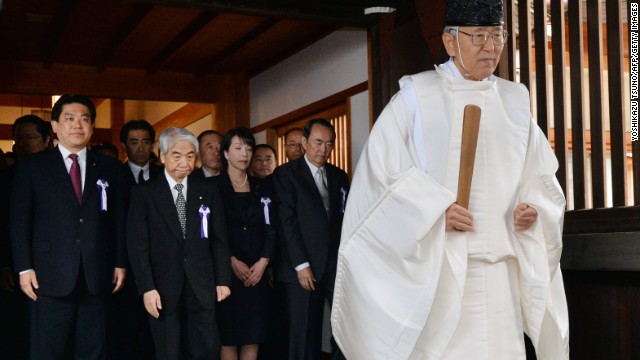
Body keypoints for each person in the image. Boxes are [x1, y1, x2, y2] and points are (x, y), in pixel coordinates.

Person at [331, 0, 570, 359]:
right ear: (449, 41)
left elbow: (539, 176)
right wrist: (434, 212)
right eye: (478, 37)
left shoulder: (515, 101)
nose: (491, 48)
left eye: (497, 36)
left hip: (502, 273)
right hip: (442, 272)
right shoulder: (416, 97)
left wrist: (532, 209)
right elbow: (382, 178)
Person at [11, 94, 127, 359]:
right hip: (47, 274)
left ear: (92, 126)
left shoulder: (109, 167)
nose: (77, 125)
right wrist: (23, 267)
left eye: (84, 119)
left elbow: (118, 218)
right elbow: (20, 221)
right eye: (69, 118)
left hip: (97, 273)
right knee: (49, 350)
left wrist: (120, 261)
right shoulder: (33, 166)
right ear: (54, 125)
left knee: (93, 349)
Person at [127, 127, 232, 360]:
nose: (184, 162)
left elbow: (219, 239)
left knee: (207, 347)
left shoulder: (208, 190)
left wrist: (223, 279)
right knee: (169, 350)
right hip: (162, 287)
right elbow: (138, 246)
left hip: (202, 283)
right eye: (177, 155)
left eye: (190, 155)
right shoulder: (144, 193)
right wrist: (147, 287)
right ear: (162, 156)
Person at [272, 118, 349, 360]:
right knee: (304, 333)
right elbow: (286, 222)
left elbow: (343, 219)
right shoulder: (285, 174)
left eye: (328, 144)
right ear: (305, 142)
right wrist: (301, 264)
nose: (323, 149)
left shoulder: (339, 176)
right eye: (317, 142)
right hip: (301, 267)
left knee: (343, 325)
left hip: (335, 264)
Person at [215, 128, 276, 360]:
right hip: (227, 271)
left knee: (253, 333)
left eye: (249, 149)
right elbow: (210, 232)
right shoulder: (213, 187)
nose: (244, 154)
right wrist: (230, 260)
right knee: (228, 334)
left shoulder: (262, 187)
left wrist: (263, 262)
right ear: (226, 153)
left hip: (256, 270)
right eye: (238, 148)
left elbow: (272, 228)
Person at [111, 119, 163, 359]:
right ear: (124, 146)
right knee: (127, 325)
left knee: (159, 328)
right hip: (124, 264)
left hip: (159, 263)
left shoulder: (164, 176)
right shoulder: (112, 176)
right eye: (134, 142)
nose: (141, 148)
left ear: (153, 144)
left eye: (145, 142)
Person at [0, 115, 51, 360]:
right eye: (19, 138)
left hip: (54, 269)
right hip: (13, 269)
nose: (24, 143)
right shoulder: (4, 179)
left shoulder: (58, 176)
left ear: (46, 140)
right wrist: (5, 265)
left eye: (30, 138)